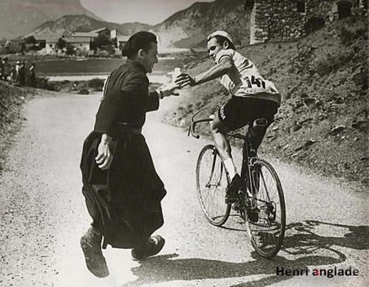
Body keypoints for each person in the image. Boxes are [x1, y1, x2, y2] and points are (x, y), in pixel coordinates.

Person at [79, 31, 181, 278]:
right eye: (154, 54)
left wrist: (163, 92)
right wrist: (106, 139)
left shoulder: (119, 72)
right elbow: (113, 103)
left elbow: (131, 102)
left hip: (114, 140)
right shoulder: (137, 76)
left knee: (129, 196)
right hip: (123, 144)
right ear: (141, 53)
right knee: (144, 193)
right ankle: (95, 238)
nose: (156, 60)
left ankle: (140, 244)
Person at [177, 30, 281, 205]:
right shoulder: (243, 63)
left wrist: (195, 79)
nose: (211, 54)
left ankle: (234, 178)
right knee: (250, 151)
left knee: (216, 127)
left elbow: (225, 66)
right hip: (270, 100)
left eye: (212, 48)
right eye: (209, 50)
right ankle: (251, 200)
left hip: (247, 98)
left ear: (225, 45)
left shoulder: (226, 54)